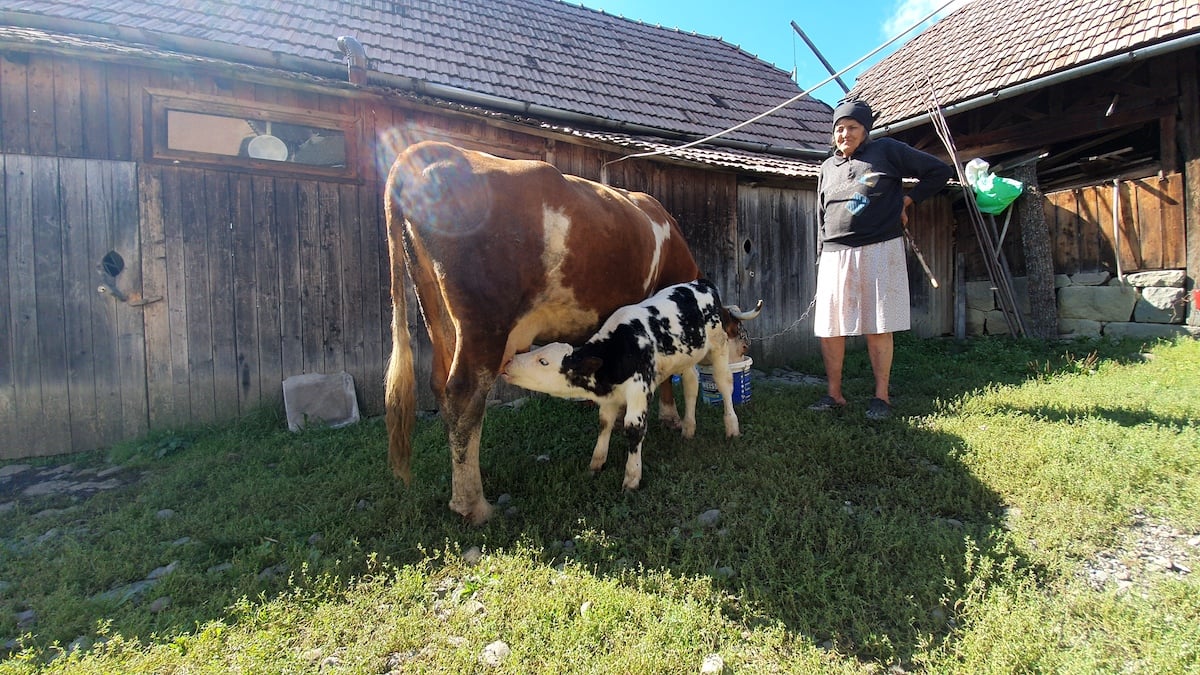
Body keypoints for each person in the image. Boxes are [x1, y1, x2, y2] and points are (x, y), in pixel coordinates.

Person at [809, 100, 952, 420]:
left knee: (878, 325)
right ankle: (834, 394)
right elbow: (821, 214)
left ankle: (881, 397)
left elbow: (938, 171)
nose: (845, 134)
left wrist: (908, 199)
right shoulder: (827, 168)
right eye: (839, 129)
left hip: (879, 247)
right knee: (830, 328)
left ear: (866, 130)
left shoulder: (886, 151)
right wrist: (821, 253)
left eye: (852, 127)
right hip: (835, 253)